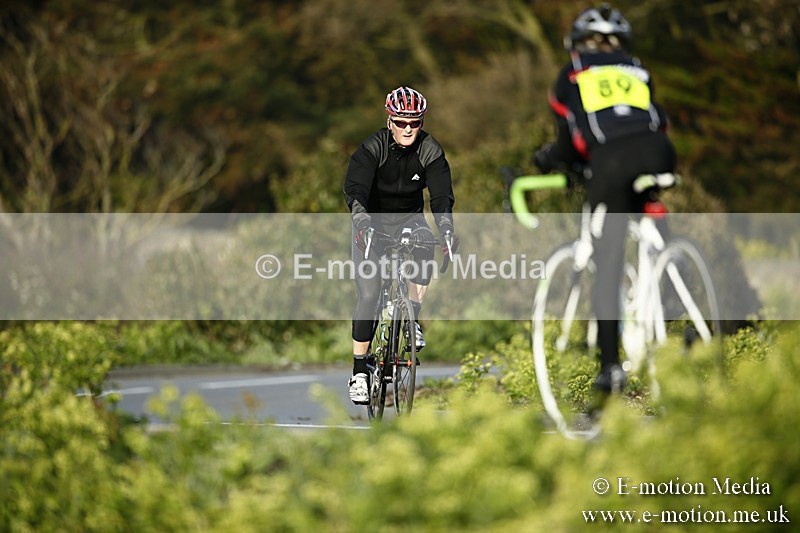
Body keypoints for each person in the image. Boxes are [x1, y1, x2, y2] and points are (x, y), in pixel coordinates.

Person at [534, 4, 677, 395]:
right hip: (659, 150)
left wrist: (548, 159)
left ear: (575, 44)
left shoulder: (573, 73)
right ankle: (673, 282)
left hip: (613, 160)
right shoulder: (637, 69)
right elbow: (656, 118)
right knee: (646, 209)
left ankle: (611, 366)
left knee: (607, 257)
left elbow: (569, 142)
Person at [343, 86, 457, 404]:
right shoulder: (373, 147)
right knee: (368, 293)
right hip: (371, 224)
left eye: (415, 123)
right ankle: (360, 371)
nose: (408, 129)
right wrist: (362, 223)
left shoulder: (429, 149)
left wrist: (447, 228)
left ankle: (411, 315)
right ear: (389, 120)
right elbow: (355, 190)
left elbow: (441, 196)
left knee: (426, 240)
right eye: (402, 121)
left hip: (409, 221)